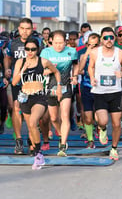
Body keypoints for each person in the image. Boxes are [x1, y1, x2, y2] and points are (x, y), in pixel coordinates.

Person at [12, 37, 61, 169]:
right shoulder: (20, 62)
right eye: (27, 49)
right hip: (25, 97)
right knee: (30, 128)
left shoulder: (43, 61)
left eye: (33, 49)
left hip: (39, 97)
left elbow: (56, 72)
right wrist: (23, 69)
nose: (30, 52)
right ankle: (36, 151)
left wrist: (59, 87)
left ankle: (39, 154)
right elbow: (14, 82)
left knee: (34, 122)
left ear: (37, 50)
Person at [88, 27, 122, 161]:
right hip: (100, 91)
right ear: (101, 39)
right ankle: (102, 129)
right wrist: (91, 77)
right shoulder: (95, 52)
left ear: (115, 38)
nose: (109, 40)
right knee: (103, 121)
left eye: (111, 37)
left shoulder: (121, 53)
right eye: (106, 38)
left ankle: (113, 148)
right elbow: (91, 66)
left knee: (117, 123)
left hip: (115, 92)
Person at [40, 30, 78, 157]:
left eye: (61, 43)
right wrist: (48, 70)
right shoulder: (46, 52)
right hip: (50, 87)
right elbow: (42, 69)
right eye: (55, 43)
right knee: (54, 118)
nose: (58, 46)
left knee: (65, 116)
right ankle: (60, 132)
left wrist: (75, 76)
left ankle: (63, 144)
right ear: (51, 42)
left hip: (65, 86)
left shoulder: (71, 51)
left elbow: (75, 65)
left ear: (65, 42)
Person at [4, 18, 33, 154]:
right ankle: (19, 141)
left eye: (28, 28)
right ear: (19, 29)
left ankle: (32, 138)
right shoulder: (13, 43)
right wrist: (7, 69)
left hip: (33, 82)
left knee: (31, 112)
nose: (25, 31)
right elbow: (7, 57)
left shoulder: (37, 43)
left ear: (32, 29)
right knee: (16, 108)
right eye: (22, 28)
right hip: (18, 82)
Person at [77, 33, 100, 149]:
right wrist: (87, 53)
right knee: (88, 116)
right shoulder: (83, 56)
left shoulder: (102, 55)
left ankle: (101, 128)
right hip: (86, 87)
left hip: (101, 88)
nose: (93, 47)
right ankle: (90, 140)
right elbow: (79, 69)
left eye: (95, 45)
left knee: (100, 117)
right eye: (90, 45)